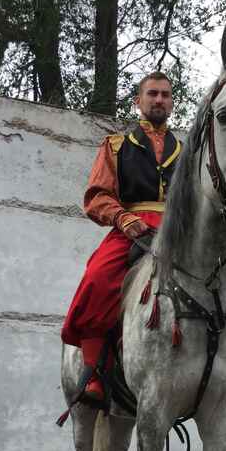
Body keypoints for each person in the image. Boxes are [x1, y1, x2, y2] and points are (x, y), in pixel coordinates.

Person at [61, 71, 181, 405]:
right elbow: (97, 195)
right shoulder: (115, 145)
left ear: (172, 103)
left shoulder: (187, 150)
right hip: (132, 225)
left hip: (177, 229)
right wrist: (123, 218)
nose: (159, 100)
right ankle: (93, 373)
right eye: (152, 94)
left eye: (165, 95)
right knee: (98, 278)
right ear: (138, 102)